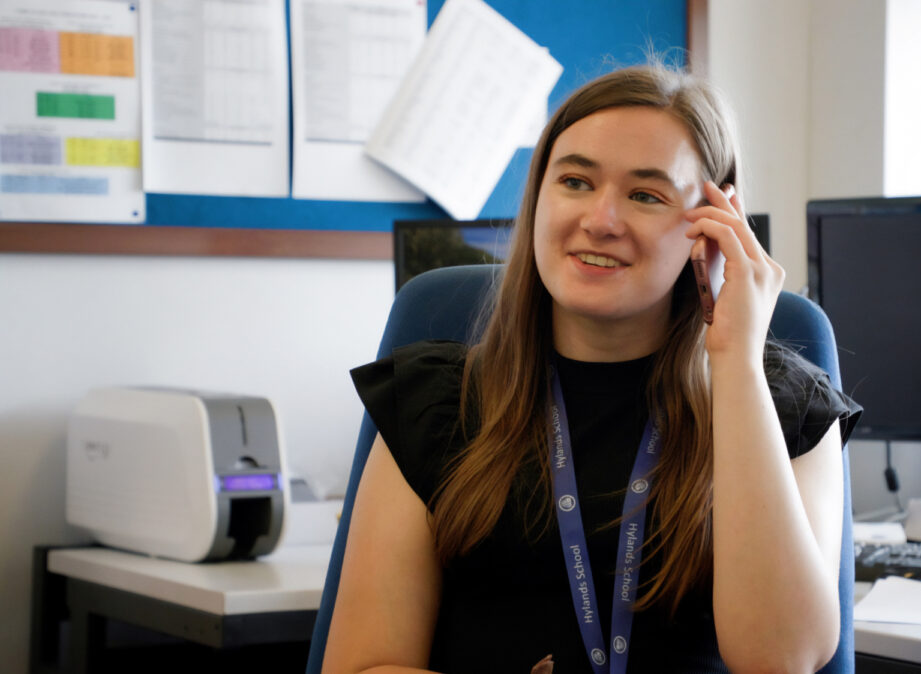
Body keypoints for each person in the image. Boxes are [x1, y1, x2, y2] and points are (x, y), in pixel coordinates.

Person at [323, 63, 861, 674]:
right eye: (575, 181)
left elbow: (781, 660)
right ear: (538, 200)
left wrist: (736, 361)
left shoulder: (787, 406)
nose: (601, 220)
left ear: (715, 224)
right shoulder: (435, 405)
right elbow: (362, 665)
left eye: (645, 195)